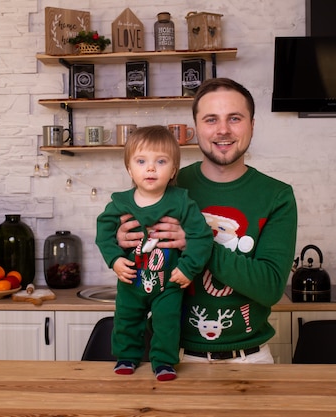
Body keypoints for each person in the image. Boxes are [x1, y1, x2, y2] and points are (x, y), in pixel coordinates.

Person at [117, 78, 298, 364]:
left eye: (234, 118)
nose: (223, 130)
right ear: (196, 127)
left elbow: (270, 287)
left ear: (252, 124)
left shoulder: (277, 196)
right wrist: (124, 242)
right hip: (170, 357)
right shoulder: (167, 185)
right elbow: (137, 261)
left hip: (250, 361)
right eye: (211, 119)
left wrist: (196, 242)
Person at [95, 125, 213, 380]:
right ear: (129, 169)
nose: (150, 168)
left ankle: (164, 362)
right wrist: (114, 260)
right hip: (131, 281)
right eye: (141, 161)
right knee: (126, 321)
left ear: (172, 171)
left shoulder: (181, 202)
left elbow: (202, 237)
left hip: (168, 281)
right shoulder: (119, 203)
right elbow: (103, 234)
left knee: (167, 323)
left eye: (161, 161)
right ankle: (126, 358)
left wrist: (188, 267)